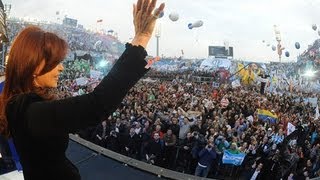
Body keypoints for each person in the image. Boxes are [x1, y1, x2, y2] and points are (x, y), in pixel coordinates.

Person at [0, 0, 165, 179]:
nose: (61, 68)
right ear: (34, 65)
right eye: (56, 62)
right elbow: (96, 105)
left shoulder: (19, 105)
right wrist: (140, 40)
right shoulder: (31, 112)